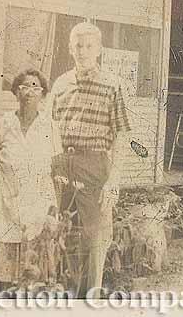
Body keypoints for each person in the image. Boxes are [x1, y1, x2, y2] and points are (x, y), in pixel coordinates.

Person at [49, 22, 130, 297]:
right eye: (78, 46)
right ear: (71, 49)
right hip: (61, 167)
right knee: (60, 235)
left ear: (99, 49)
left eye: (89, 46)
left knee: (94, 239)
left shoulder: (111, 84)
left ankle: (89, 300)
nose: (83, 51)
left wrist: (114, 180)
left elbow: (122, 136)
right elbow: (49, 129)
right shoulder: (60, 84)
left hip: (95, 168)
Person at [0, 69, 59, 288]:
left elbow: (57, 169)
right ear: (16, 93)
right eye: (24, 87)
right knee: (5, 271)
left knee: (35, 270)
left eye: (35, 87)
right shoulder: (4, 124)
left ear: (43, 94)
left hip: (38, 201)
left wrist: (55, 207)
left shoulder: (50, 126)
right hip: (7, 199)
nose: (29, 92)